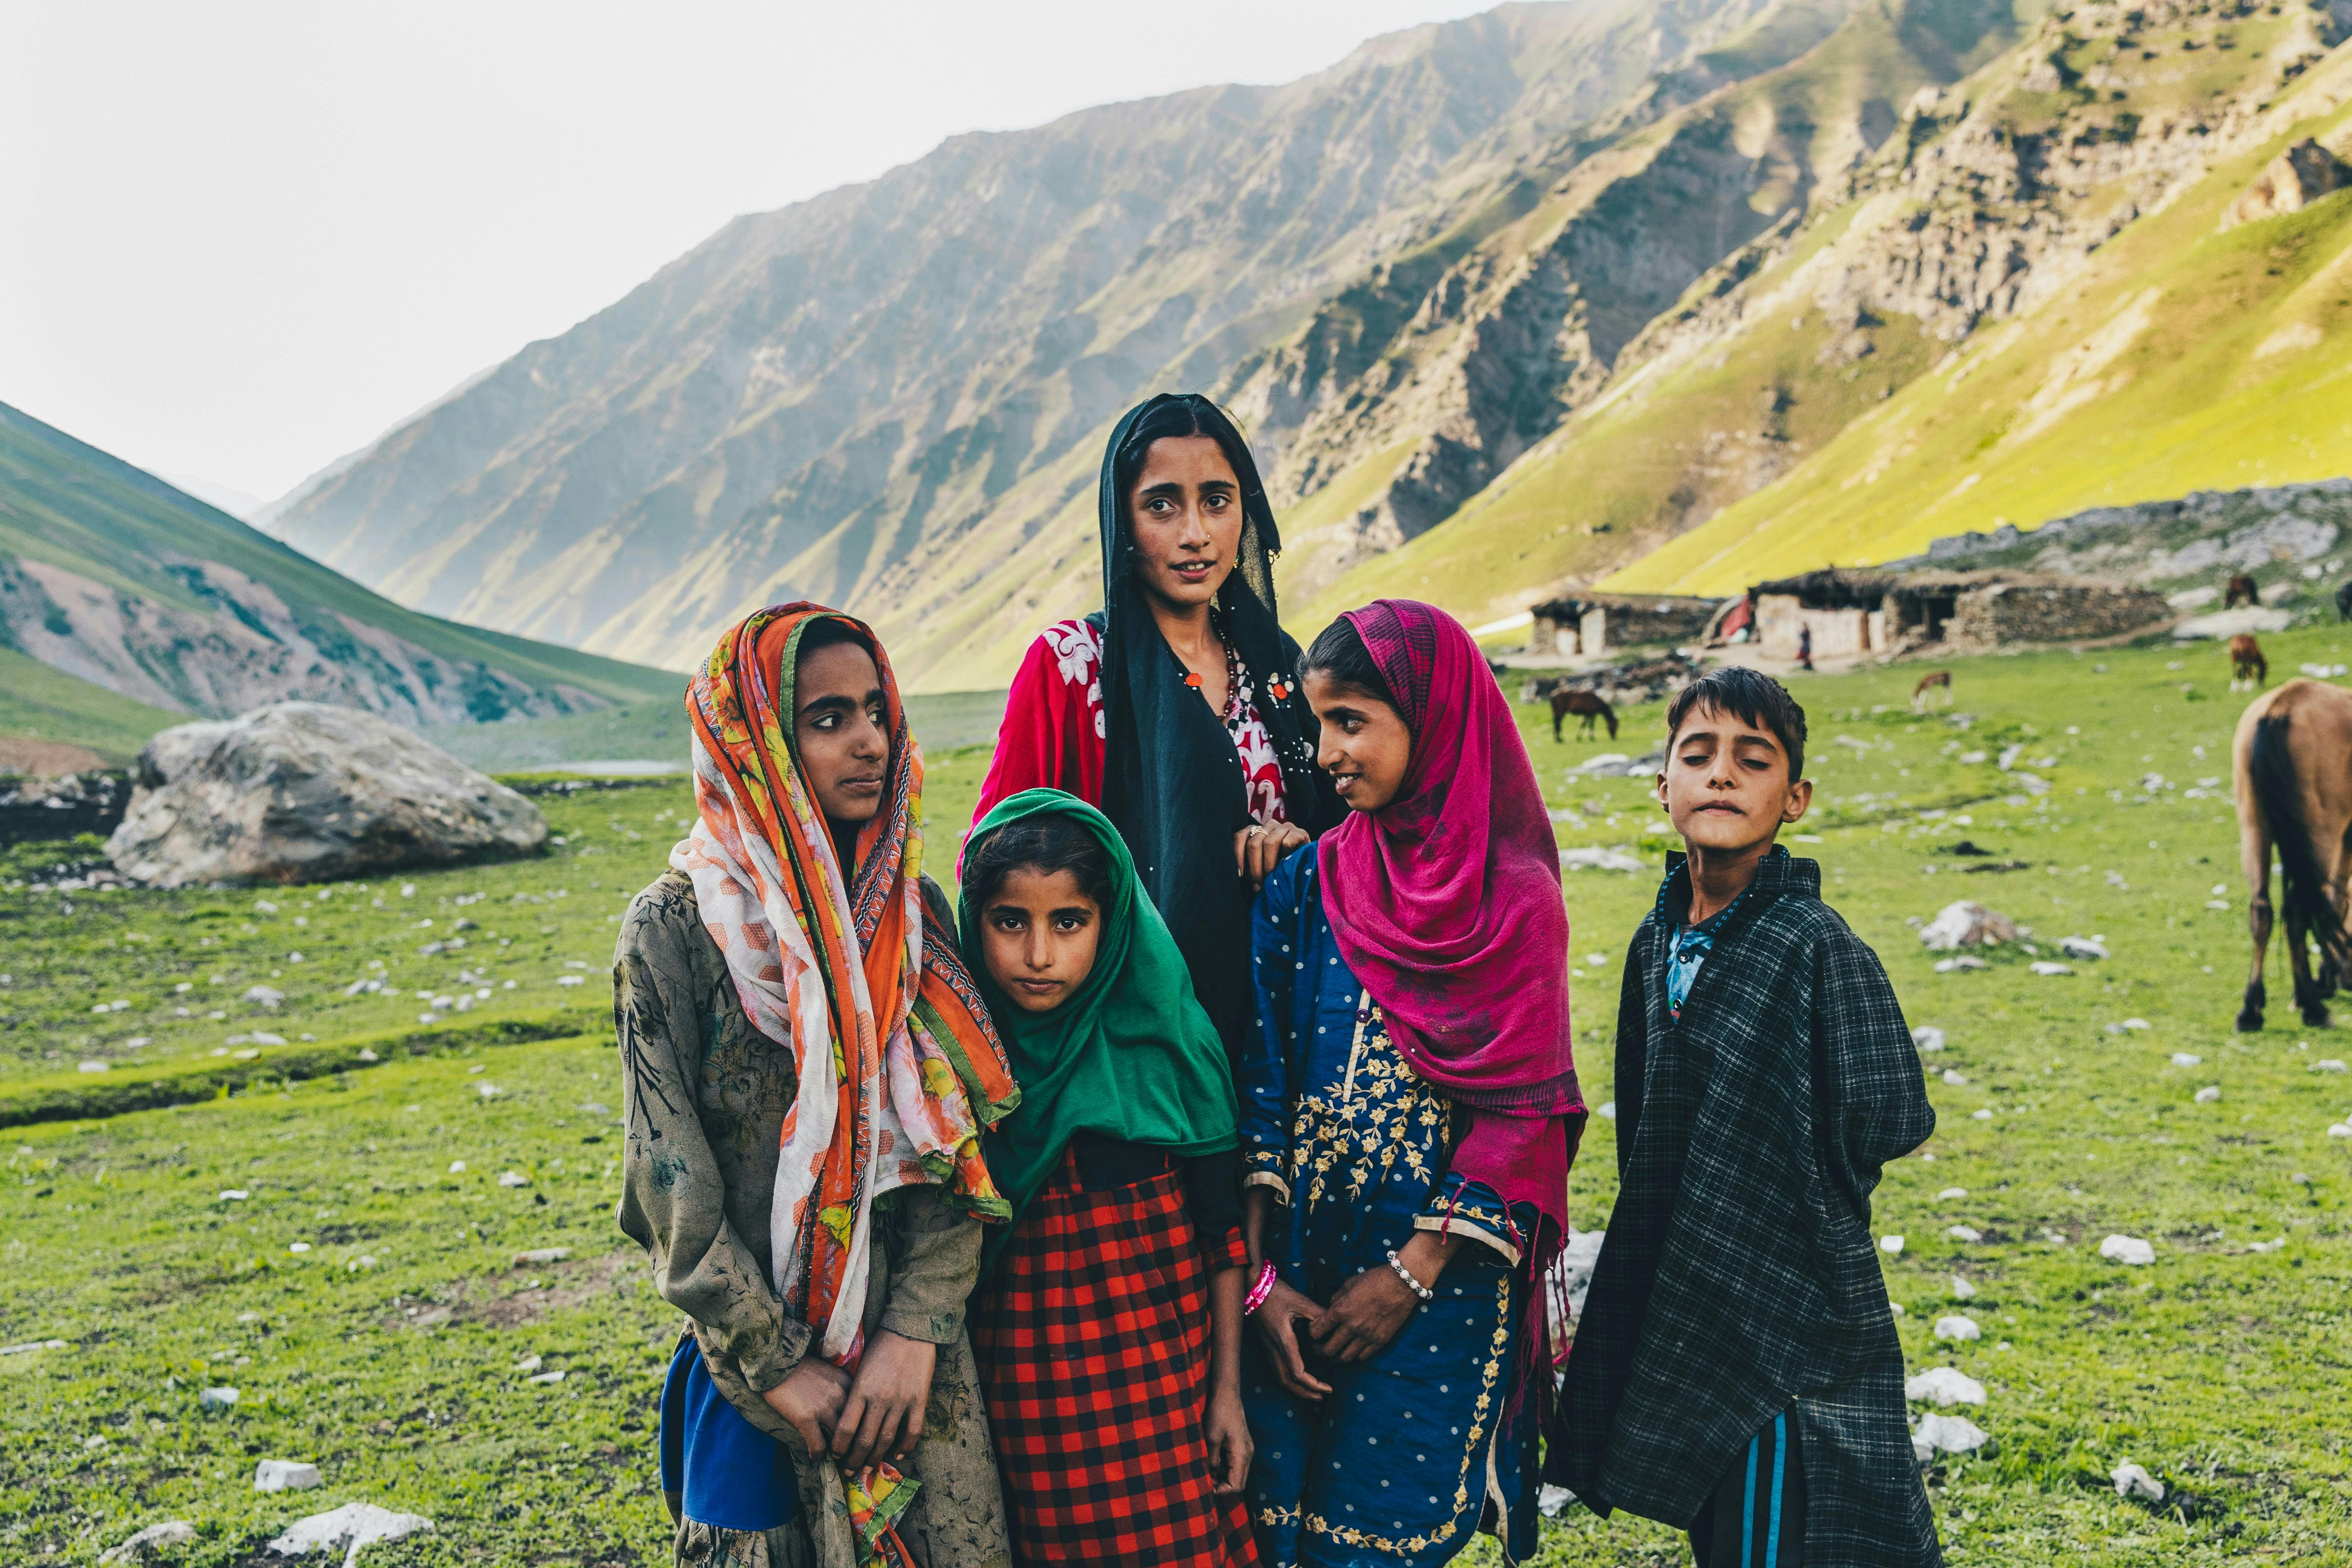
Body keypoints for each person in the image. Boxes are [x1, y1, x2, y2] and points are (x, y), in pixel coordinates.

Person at [615, 603, 1019, 1568]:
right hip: (758, 1377)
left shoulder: (911, 912)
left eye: (877, 710)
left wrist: (916, 1332)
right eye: (827, 718)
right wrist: (780, 1363)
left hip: (911, 1370)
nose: (870, 740)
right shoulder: (671, 931)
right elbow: (669, 1182)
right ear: (750, 736)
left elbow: (954, 1143)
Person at [1550, 666, 1940, 1568]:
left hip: (1787, 1304)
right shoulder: (1658, 941)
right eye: (1699, 755)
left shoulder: (1815, 943)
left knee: (1771, 1520)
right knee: (1716, 1524)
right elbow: (1647, 1108)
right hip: (1687, 1283)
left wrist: (1781, 1177)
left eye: (1752, 760)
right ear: (1664, 787)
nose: (1721, 775)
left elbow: (1891, 1113)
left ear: (1794, 799)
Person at [1240, 600, 1586, 1567]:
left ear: (1433, 720)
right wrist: (1263, 1284)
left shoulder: (1517, 903)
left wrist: (1408, 1276)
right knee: (1268, 1531)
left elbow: (1524, 1119)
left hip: (1440, 1290)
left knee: (1379, 1543)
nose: (1325, 752)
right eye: (1317, 724)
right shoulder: (1304, 887)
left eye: (1352, 721)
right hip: (1296, 1278)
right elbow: (1261, 1089)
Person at [971, 392, 1341, 1055]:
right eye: (1162, 504)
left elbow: (1348, 835)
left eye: (1218, 502)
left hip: (1281, 1030)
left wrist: (1293, 855)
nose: (1195, 532)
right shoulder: (1072, 667)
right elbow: (1001, 866)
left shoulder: (1282, 667)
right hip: (1126, 1044)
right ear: (1124, 519)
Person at [960, 789, 1257, 1565]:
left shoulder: (1172, 1050)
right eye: (1009, 922)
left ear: (1113, 919)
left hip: (1162, 1396)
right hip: (1018, 1403)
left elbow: (1222, 1237)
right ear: (974, 921)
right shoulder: (958, 1067)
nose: (1037, 956)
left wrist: (1227, 1393)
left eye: (1069, 922)